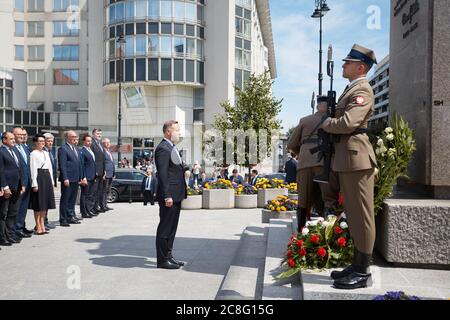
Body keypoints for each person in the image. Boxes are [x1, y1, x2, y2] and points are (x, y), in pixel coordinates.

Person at [320, 44, 378, 290]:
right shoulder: (351, 88)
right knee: (353, 214)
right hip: (348, 159)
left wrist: (326, 122)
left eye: (348, 62)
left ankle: (363, 271)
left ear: (360, 67)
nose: (343, 65)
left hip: (357, 159)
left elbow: (347, 122)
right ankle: (357, 264)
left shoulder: (362, 89)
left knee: (362, 215)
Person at [287, 96, 340, 231]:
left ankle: (301, 231)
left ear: (317, 106)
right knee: (329, 199)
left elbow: (291, 143)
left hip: (305, 162)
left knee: (303, 199)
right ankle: (330, 231)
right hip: (326, 162)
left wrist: (302, 153)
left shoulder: (305, 121)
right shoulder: (334, 121)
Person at [155, 120, 187, 269]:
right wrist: (167, 195)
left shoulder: (172, 147)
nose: (179, 133)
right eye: (177, 130)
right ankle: (162, 260)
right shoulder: (163, 148)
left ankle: (169, 255)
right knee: (165, 228)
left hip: (177, 194)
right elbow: (162, 174)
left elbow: (174, 167)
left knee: (172, 228)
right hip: (170, 196)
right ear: (168, 132)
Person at [0, 132, 25, 246]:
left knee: (13, 212)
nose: (14, 141)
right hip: (7, 188)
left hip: (17, 187)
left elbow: (20, 168)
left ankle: (9, 235)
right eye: (11, 139)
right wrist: (5, 187)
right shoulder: (1, 152)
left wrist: (22, 184)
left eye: (14, 139)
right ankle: (2, 237)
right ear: (4, 140)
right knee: (3, 213)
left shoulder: (15, 151)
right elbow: (1, 171)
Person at [29, 134, 56, 235]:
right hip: (39, 177)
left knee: (45, 203)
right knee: (38, 203)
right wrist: (34, 184)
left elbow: (50, 168)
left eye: (43, 141)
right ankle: (38, 225)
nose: (42, 143)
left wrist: (52, 181)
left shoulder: (46, 153)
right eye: (40, 141)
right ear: (35, 143)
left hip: (47, 177)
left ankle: (43, 224)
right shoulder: (33, 153)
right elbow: (33, 169)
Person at [58, 131, 84, 226]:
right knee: (65, 199)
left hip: (76, 178)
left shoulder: (76, 149)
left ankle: (70, 216)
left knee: (72, 199)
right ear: (68, 137)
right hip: (68, 178)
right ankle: (63, 219)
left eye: (77, 137)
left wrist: (81, 177)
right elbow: (63, 165)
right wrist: (65, 178)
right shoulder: (63, 149)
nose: (76, 139)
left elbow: (79, 164)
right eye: (73, 137)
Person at [12, 128, 33, 237]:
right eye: (19, 134)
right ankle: (15, 229)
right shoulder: (12, 148)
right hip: (18, 183)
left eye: (23, 134)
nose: (22, 136)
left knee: (24, 207)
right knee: (16, 207)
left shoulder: (25, 148)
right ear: (13, 135)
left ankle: (20, 226)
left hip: (28, 181)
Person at [79, 135, 96, 219]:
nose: (90, 142)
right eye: (88, 141)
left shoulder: (90, 150)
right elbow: (82, 165)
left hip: (92, 176)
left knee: (90, 195)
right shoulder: (82, 151)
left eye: (90, 141)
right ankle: (84, 212)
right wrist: (83, 177)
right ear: (84, 141)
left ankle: (89, 210)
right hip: (87, 177)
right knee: (84, 195)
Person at [43, 133, 57, 230]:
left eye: (52, 141)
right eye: (48, 141)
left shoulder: (50, 152)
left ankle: (45, 221)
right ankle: (41, 223)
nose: (50, 143)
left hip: (49, 181)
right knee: (43, 204)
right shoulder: (42, 152)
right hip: (43, 181)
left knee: (47, 203)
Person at [91, 129, 106, 213]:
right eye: (97, 133)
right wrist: (95, 171)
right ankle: (92, 208)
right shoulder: (92, 144)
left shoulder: (100, 144)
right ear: (93, 134)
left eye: (100, 133)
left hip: (101, 172)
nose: (99, 135)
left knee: (99, 191)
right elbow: (93, 160)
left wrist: (104, 171)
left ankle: (96, 207)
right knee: (94, 191)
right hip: (95, 172)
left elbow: (102, 159)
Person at [102, 138, 115, 211]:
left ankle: (105, 204)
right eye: (106, 143)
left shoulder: (109, 152)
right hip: (106, 174)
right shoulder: (103, 152)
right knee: (104, 190)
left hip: (111, 174)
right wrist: (103, 171)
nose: (108, 144)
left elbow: (112, 163)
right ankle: (102, 205)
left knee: (108, 190)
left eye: (109, 142)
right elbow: (102, 163)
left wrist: (114, 173)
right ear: (103, 143)